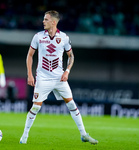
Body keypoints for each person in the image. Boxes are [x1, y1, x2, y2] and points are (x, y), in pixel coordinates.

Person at [20, 10, 98, 144]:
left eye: (46, 19)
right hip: (43, 78)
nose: (43, 21)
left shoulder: (64, 38)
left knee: (72, 104)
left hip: (59, 79)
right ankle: (24, 137)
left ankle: (84, 134)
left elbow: (71, 56)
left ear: (53, 22)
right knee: (36, 107)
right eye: (44, 19)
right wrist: (30, 74)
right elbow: (30, 55)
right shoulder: (38, 37)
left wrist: (67, 71)